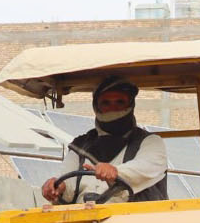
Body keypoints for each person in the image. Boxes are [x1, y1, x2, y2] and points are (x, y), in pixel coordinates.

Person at [41, 76, 168, 205]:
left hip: (135, 220)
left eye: (120, 102)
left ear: (130, 105)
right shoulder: (80, 145)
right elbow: (67, 182)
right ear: (96, 107)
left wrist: (116, 172)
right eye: (106, 103)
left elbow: (145, 168)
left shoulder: (150, 142)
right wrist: (57, 186)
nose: (113, 109)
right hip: (83, 218)